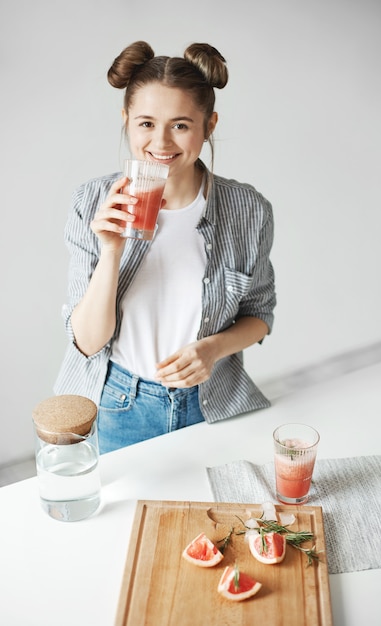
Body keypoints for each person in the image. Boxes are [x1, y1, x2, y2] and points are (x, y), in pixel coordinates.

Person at [54, 40, 276, 453]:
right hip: (118, 404)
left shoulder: (249, 209)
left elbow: (260, 314)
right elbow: (87, 342)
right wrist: (111, 251)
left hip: (211, 403)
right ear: (125, 121)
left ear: (209, 126)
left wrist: (214, 349)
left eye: (180, 125)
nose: (161, 142)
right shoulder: (92, 203)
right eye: (145, 124)